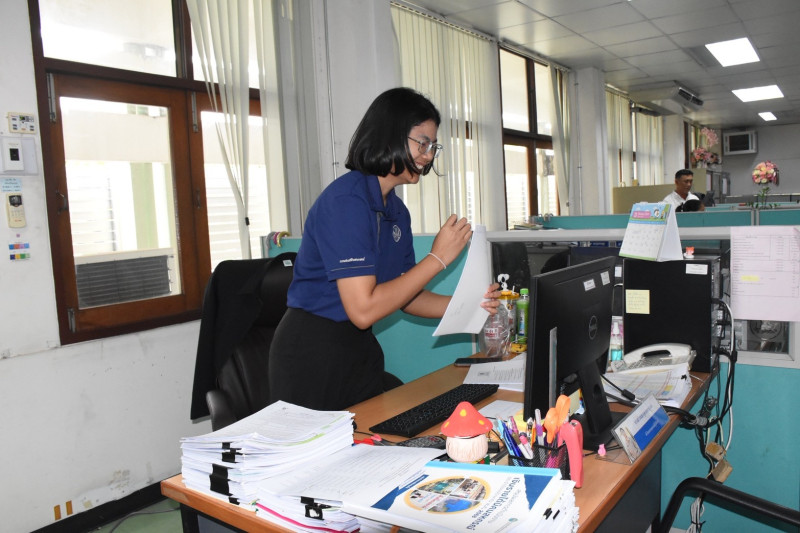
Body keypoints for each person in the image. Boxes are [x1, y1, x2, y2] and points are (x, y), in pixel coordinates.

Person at [269, 87, 501, 411]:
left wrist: (471, 305)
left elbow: (406, 296)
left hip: (357, 348)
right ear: (390, 134)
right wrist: (437, 258)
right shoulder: (346, 202)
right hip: (313, 354)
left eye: (433, 147)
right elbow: (364, 310)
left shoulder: (396, 211)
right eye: (422, 143)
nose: (428, 156)